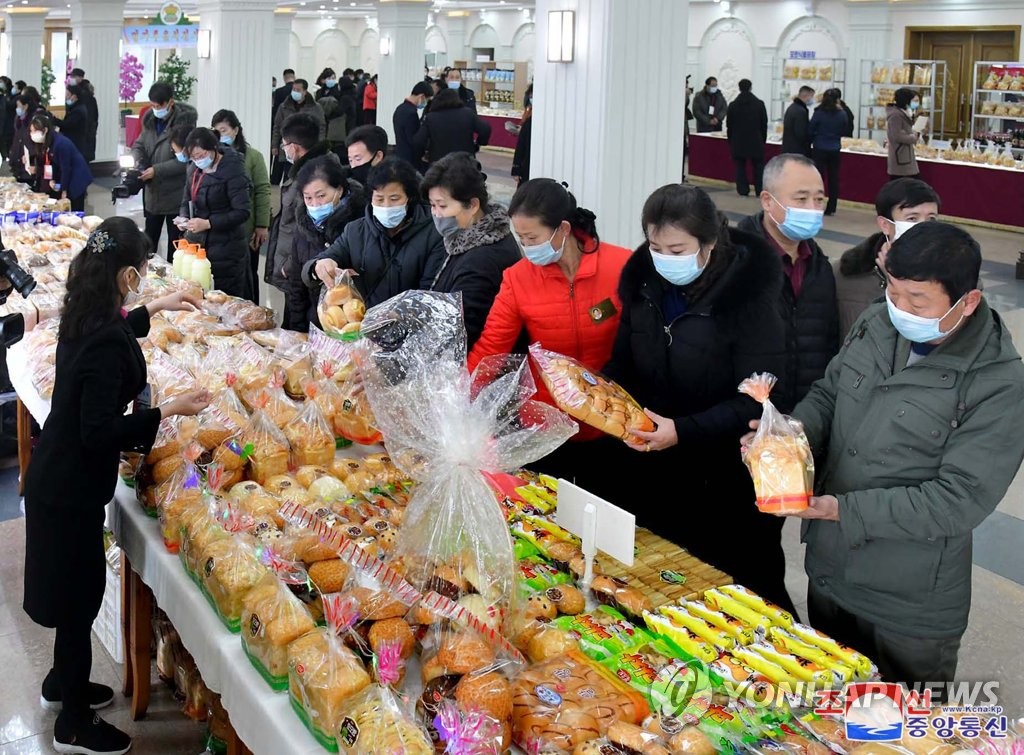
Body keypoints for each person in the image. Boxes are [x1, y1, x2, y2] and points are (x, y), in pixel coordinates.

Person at [745, 221, 1024, 690]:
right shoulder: (878, 321)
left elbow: (959, 500)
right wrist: (789, 435)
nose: (900, 308)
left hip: (908, 604)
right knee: (828, 713)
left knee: (897, 728)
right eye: (893, 291)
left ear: (968, 301)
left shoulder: (997, 383)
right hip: (831, 573)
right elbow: (831, 393)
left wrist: (841, 508)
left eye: (918, 301)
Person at [23, 217, 210, 755]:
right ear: (127, 273)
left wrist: (161, 305)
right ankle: (74, 726)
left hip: (56, 476)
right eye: (145, 272)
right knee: (77, 604)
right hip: (70, 489)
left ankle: (65, 686)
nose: (146, 279)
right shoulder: (102, 333)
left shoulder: (87, 310)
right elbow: (98, 430)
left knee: (67, 595)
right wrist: (167, 410)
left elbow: (114, 333)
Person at [604, 183, 793, 613]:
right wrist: (598, 394)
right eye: (655, 246)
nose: (665, 259)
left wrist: (683, 431)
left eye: (677, 248)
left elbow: (759, 399)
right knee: (664, 590)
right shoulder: (644, 287)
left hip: (723, 481)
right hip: (654, 470)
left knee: (735, 597)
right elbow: (623, 363)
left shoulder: (748, 300)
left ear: (709, 243)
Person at [468, 179, 632, 489]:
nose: (527, 248)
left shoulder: (619, 265)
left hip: (610, 421)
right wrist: (458, 394)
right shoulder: (517, 280)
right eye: (521, 239)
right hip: (546, 427)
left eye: (532, 237)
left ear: (564, 229)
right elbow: (492, 347)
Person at [737, 154, 839, 411]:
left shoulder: (820, 267)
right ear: (768, 201)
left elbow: (828, 345)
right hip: (744, 418)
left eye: (819, 199)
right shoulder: (736, 263)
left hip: (804, 419)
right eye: (801, 199)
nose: (813, 208)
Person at [303, 157, 446, 309]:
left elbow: (431, 291)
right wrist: (317, 267)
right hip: (362, 326)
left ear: (409, 198)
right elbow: (324, 260)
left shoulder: (433, 234)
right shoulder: (355, 231)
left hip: (411, 326)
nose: (386, 206)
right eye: (379, 199)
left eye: (394, 199)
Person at [422, 153, 521, 348]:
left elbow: (462, 327)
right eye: (432, 205)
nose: (436, 213)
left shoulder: (483, 258)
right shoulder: (461, 238)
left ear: (473, 205)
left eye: (442, 205)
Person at [835, 178, 940, 337]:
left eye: (931, 219)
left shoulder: (955, 272)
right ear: (885, 224)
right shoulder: (847, 274)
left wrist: (900, 281)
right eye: (912, 218)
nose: (924, 227)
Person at [265, 114, 340, 324]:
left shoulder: (314, 177)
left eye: (284, 145)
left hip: (306, 266)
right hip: (297, 265)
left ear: (294, 147)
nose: (283, 149)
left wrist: (290, 263)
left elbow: (305, 226)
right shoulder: (301, 171)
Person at [290, 157, 367, 329]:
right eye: (308, 198)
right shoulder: (303, 227)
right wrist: (297, 330)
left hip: (355, 326)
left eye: (321, 196)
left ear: (339, 190)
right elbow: (296, 287)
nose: (315, 204)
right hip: (316, 324)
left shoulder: (360, 225)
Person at [179, 128, 253, 300]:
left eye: (201, 155)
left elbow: (242, 212)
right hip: (199, 245)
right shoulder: (194, 170)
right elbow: (186, 199)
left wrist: (208, 223)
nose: (197, 160)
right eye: (193, 157)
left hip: (228, 249)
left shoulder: (233, 169)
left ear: (213, 147)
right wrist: (183, 217)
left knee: (225, 300)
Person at [131, 82, 198, 259]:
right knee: (148, 241)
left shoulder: (185, 124)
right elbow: (139, 143)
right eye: (152, 105)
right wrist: (139, 161)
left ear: (170, 102)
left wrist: (157, 170)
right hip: (153, 192)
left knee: (175, 245)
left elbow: (185, 159)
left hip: (175, 193)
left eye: (158, 106)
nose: (155, 109)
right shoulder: (150, 121)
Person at [212, 110, 271, 304]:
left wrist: (262, 224)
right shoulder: (214, 157)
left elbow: (262, 190)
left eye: (224, 130)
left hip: (247, 226)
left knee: (249, 273)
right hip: (221, 227)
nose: (221, 135)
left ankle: (253, 311)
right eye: (216, 131)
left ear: (236, 130)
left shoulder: (253, 157)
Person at [22, 114, 92, 212]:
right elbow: (49, 163)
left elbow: (66, 168)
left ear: (45, 130)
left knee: (73, 209)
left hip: (76, 178)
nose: (32, 134)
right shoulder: (47, 141)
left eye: (35, 131)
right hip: (65, 175)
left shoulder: (60, 144)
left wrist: (63, 189)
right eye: (31, 131)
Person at [413, 89, 491, 166]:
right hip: (465, 162)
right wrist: (479, 143)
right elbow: (485, 129)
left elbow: (418, 141)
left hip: (439, 163)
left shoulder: (431, 117)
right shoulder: (468, 113)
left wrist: (422, 154)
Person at [808, 89, 848, 216]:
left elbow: (811, 129)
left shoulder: (819, 112)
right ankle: (831, 206)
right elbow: (844, 129)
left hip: (820, 147)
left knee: (818, 178)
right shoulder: (842, 114)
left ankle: (815, 203)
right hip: (835, 148)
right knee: (833, 178)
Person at [271, 79, 326, 169]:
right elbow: (277, 126)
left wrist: (319, 146)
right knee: (287, 174)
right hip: (288, 148)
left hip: (308, 148)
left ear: (305, 91)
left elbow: (321, 128)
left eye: (298, 90)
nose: (295, 92)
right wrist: (274, 145)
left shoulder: (315, 108)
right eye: (293, 89)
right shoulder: (284, 107)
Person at [726, 79, 768, 196]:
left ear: (739, 88)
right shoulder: (759, 104)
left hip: (738, 141)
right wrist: (762, 139)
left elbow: (729, 125)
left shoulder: (733, 105)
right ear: (750, 88)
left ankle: (743, 190)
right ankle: (759, 189)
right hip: (756, 140)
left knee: (740, 167)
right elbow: (763, 124)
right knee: (758, 168)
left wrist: (731, 141)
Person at [9, 91, 49, 185]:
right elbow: (17, 138)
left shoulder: (36, 119)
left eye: (18, 106)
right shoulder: (19, 118)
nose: (17, 109)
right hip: (18, 159)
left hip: (30, 160)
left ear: (26, 106)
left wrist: (31, 154)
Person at [394, 82, 433, 168]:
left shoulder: (400, 108)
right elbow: (414, 140)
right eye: (427, 99)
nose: (426, 103)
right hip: (410, 160)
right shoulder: (411, 113)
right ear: (421, 96)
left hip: (400, 155)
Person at [887, 87, 922, 179]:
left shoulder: (904, 113)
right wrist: (913, 137)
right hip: (900, 157)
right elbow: (897, 136)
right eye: (912, 100)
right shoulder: (895, 116)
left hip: (905, 156)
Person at [270, 68, 297, 185]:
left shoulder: (279, 92)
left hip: (282, 131)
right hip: (295, 133)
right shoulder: (298, 93)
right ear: (294, 76)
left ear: (284, 78)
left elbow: (275, 115)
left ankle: (275, 182)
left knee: (278, 163)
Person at [58, 83, 96, 163]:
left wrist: (54, 120)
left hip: (76, 144)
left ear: (74, 96)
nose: (65, 97)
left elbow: (67, 124)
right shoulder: (75, 108)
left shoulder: (78, 111)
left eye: (67, 95)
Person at [782, 86, 814, 157]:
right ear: (806, 96)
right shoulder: (801, 111)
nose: (812, 99)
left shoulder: (792, 107)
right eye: (811, 96)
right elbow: (801, 133)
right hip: (797, 150)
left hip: (789, 148)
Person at [511, 89, 532, 186]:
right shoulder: (528, 113)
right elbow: (521, 145)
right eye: (530, 97)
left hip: (529, 162)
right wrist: (516, 168)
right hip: (525, 163)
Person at [0, 76, 14, 160]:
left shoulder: (10, 96)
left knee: (6, 155)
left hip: (7, 129)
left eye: (1, 82)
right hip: (1, 128)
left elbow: (9, 106)